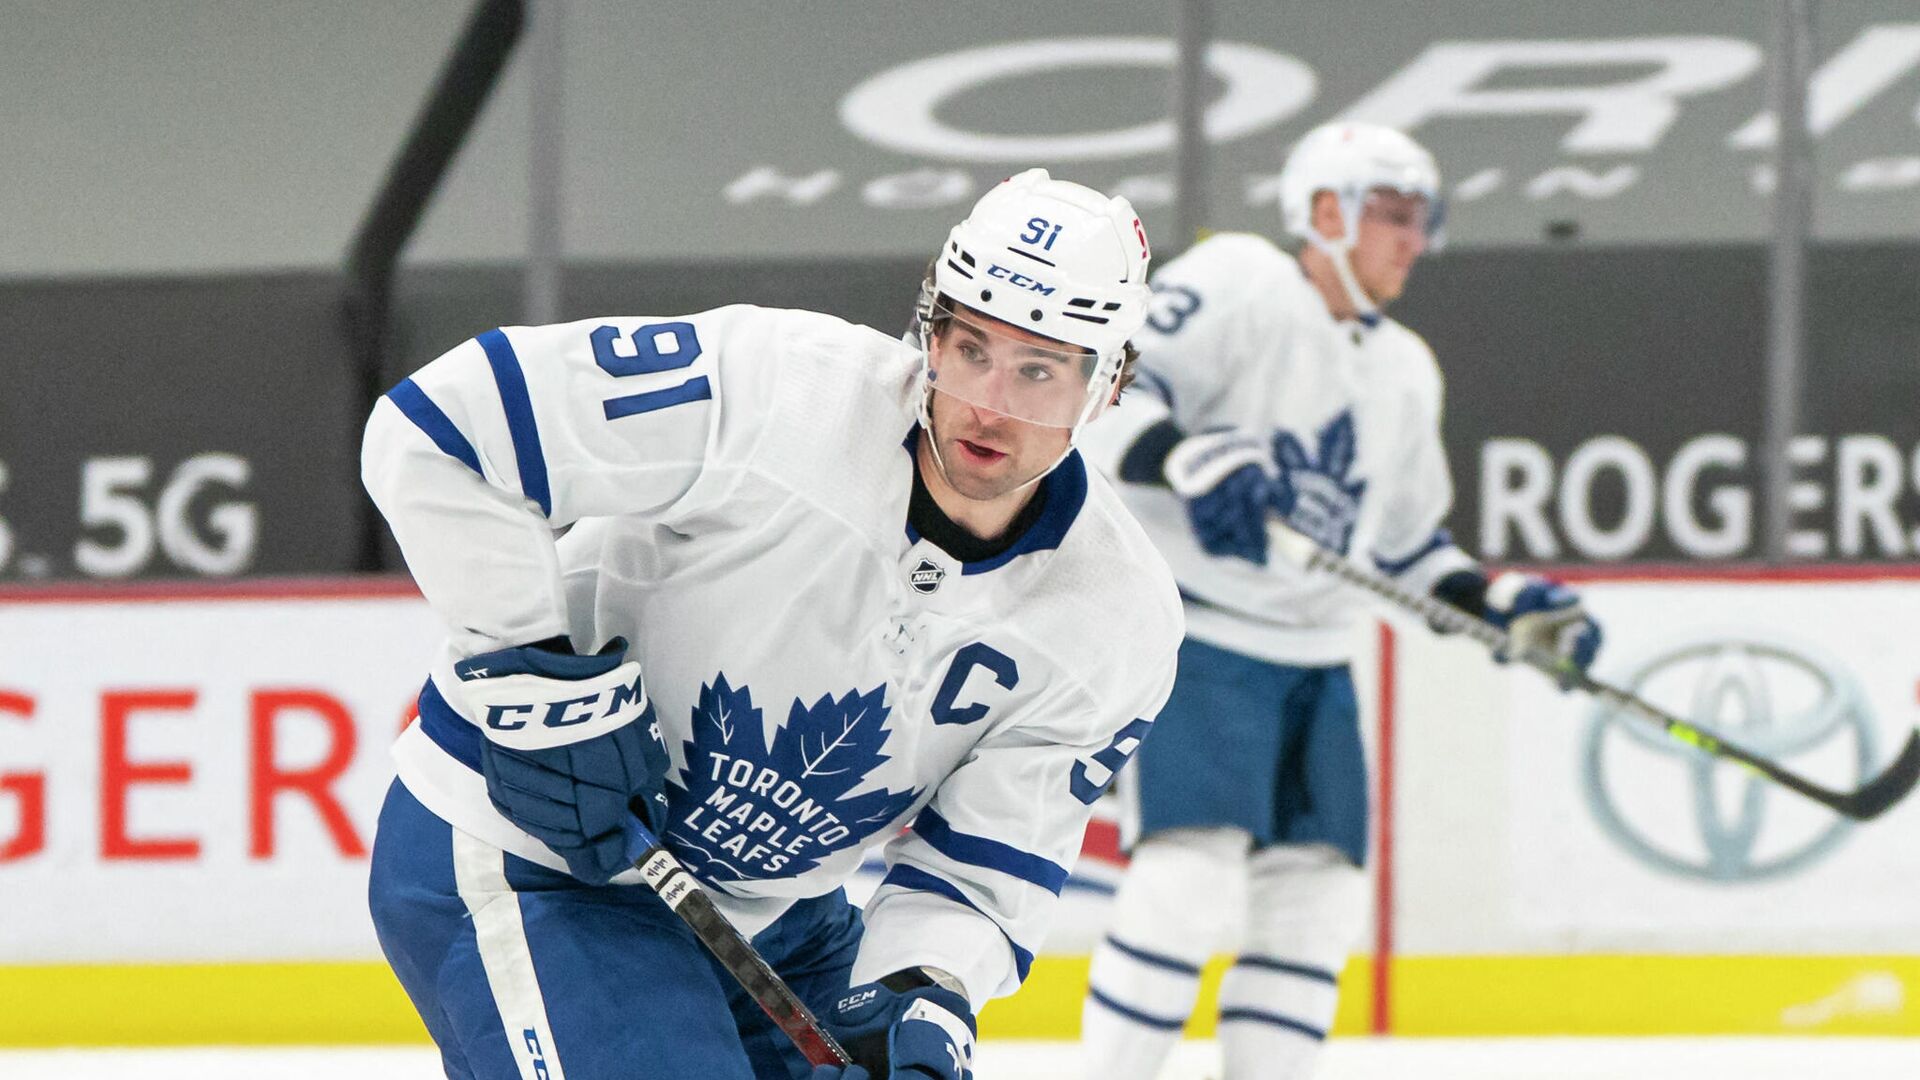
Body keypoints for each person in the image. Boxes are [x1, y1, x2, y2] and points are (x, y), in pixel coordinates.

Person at [360, 168, 1182, 1080]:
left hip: (773, 921)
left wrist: (922, 989)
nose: (989, 403)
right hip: (531, 856)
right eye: (970, 347)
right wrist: (536, 673)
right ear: (929, 329)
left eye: (1039, 370)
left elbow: (982, 868)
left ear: (1107, 387)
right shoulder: (776, 389)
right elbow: (436, 429)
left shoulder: (1118, 618)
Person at [1073, 123, 1603, 1080]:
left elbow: (1401, 549)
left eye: (1420, 221)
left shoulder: (1405, 368)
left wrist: (1498, 600)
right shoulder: (1240, 281)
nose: (1414, 241)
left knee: (1313, 904)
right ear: (1327, 213)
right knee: (1187, 882)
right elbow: (1095, 382)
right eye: (1394, 216)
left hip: (1317, 661)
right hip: (1200, 635)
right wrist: (1187, 455)